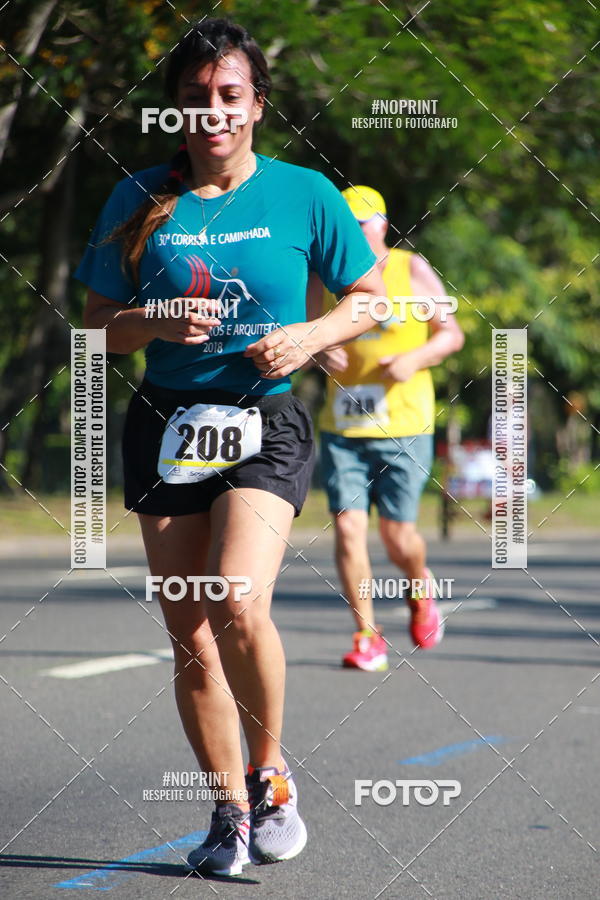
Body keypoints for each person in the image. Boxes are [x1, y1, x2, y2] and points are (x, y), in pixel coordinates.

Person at [75, 20, 385, 877]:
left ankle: (271, 774)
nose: (212, 111)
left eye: (230, 95)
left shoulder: (305, 193)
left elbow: (368, 296)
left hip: (266, 422)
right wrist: (156, 319)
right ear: (175, 108)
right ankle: (229, 813)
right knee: (191, 635)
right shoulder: (137, 198)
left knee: (237, 600)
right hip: (168, 428)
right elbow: (98, 332)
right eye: (195, 97)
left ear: (257, 103)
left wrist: (311, 332)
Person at [310, 185, 464, 672]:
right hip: (344, 426)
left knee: (399, 538)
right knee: (349, 529)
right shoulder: (326, 273)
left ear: (382, 224)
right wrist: (318, 349)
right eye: (345, 225)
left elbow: (451, 333)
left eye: (361, 224)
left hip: (404, 423)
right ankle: (367, 635)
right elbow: (308, 329)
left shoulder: (409, 268)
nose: (353, 233)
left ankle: (421, 589)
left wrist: (415, 358)